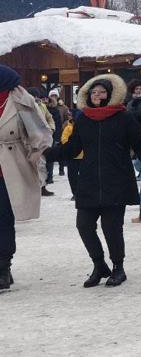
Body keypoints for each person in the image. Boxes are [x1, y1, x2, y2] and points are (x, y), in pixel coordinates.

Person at [46, 74, 141, 288]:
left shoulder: (123, 117)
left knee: (111, 227)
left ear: (110, 94)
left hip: (116, 179)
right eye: (94, 92)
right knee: (84, 225)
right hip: (89, 180)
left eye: (102, 92)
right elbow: (73, 147)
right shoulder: (84, 118)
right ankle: (99, 265)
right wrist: (48, 153)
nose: (97, 95)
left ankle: (118, 267)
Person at [0, 65, 53, 290]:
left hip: (10, 168)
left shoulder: (21, 99)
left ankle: (3, 267)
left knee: (3, 220)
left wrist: (34, 161)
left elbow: (40, 133)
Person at [61, 115, 83, 201]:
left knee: (84, 176)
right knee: (72, 176)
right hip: (71, 156)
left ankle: (83, 193)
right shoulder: (68, 128)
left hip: (83, 156)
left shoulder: (84, 128)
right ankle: (75, 193)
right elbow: (64, 139)